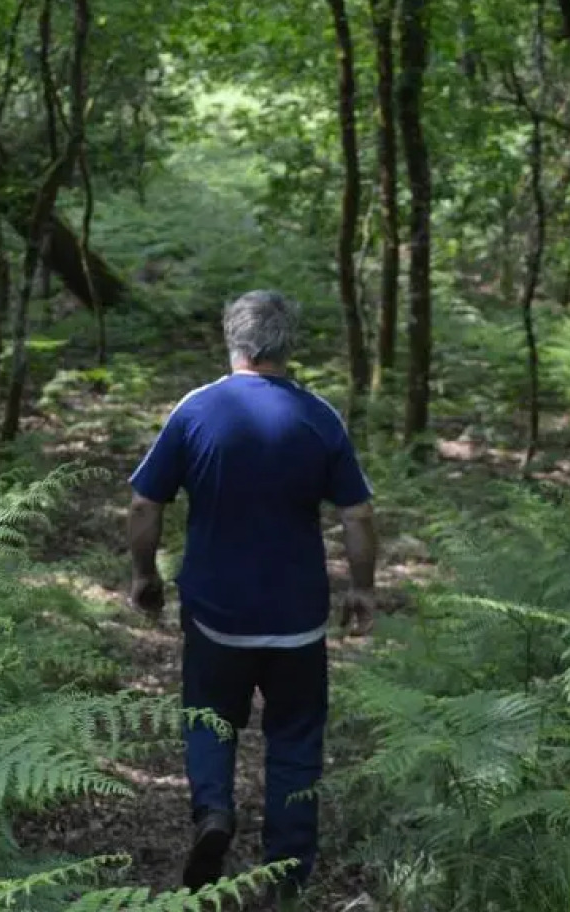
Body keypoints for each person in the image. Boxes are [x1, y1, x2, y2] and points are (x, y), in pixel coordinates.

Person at [126, 290, 380, 903]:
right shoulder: (318, 416)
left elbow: (144, 504)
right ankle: (285, 876)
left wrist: (144, 575)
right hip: (298, 619)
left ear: (231, 339)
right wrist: (362, 588)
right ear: (289, 344)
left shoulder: (196, 410)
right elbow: (358, 514)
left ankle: (214, 811)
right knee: (295, 740)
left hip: (216, 614)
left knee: (209, 719)